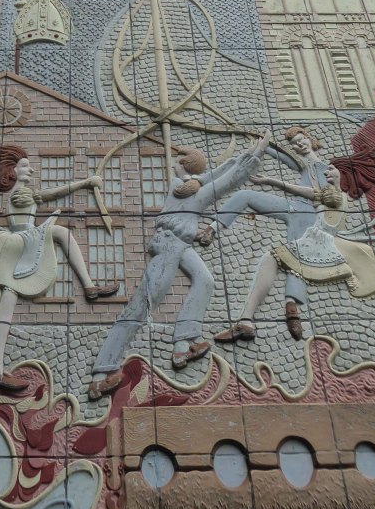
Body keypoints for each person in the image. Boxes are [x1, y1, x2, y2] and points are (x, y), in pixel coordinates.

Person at [87, 133, 270, 400]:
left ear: (183, 165)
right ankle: (101, 374)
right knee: (141, 305)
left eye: (176, 161)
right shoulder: (185, 191)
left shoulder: (189, 187)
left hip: (180, 244)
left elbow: (216, 175)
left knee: (205, 280)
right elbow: (226, 181)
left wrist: (245, 156)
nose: (172, 164)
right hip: (170, 244)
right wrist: (253, 155)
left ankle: (184, 341)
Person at [0, 139, 117, 393]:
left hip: (22, 242)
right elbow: (54, 193)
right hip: (20, 243)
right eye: (25, 166)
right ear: (12, 171)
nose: (30, 170)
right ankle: (89, 286)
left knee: (9, 298)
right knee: (60, 235)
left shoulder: (23, 193)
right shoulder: (21, 193)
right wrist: (86, 182)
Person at [212, 126, 328, 343]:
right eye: (294, 144)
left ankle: (291, 307)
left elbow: (317, 194)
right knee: (246, 195)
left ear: (310, 139)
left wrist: (272, 181)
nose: (299, 145)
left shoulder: (324, 167)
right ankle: (211, 228)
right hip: (293, 207)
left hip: (307, 214)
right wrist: (263, 143)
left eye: (301, 139)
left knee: (294, 259)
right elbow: (284, 157)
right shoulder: (303, 164)